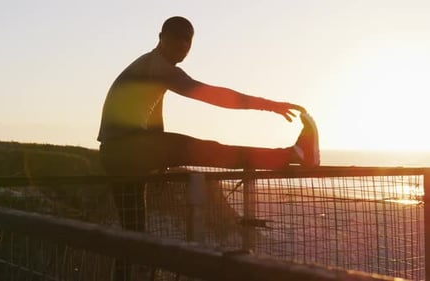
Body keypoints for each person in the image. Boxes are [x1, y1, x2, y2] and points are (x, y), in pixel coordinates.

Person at [97, 15, 319, 281]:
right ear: (160, 38)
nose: (182, 46)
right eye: (177, 40)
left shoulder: (149, 67)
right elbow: (214, 96)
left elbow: (154, 124)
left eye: (186, 42)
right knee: (206, 150)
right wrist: (270, 104)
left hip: (115, 154)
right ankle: (293, 154)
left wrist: (158, 161)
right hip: (127, 148)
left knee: (131, 234)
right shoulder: (159, 68)